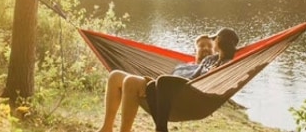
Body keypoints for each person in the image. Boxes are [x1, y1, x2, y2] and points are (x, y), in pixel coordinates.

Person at [97, 28, 239, 132]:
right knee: (117, 76)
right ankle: (107, 128)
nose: (206, 48)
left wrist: (216, 69)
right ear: (194, 51)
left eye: (210, 45)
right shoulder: (186, 64)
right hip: (162, 87)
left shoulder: (216, 62)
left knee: (141, 81)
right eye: (202, 46)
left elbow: (226, 64)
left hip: (186, 94)